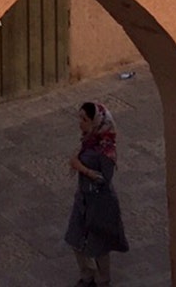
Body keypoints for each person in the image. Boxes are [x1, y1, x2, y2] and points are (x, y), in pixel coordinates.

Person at [65, 100, 129, 286]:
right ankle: (87, 275)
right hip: (84, 199)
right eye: (80, 118)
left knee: (99, 244)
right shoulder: (88, 141)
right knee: (75, 237)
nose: (81, 123)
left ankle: (102, 279)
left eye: (84, 119)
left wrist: (81, 168)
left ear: (96, 121)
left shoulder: (105, 149)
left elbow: (104, 179)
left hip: (100, 202)